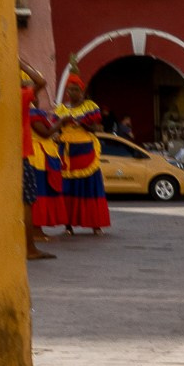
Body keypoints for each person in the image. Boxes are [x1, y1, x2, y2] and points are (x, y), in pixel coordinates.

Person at [48, 62, 110, 235]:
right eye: (70, 90)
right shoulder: (61, 109)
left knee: (89, 186)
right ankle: (68, 225)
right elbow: (55, 130)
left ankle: (95, 225)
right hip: (67, 153)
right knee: (67, 188)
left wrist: (81, 123)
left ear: (82, 91)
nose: (72, 93)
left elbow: (97, 129)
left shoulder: (90, 107)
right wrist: (59, 130)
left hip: (85, 150)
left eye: (75, 90)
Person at [19, 67, 60, 260]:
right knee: (27, 202)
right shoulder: (21, 97)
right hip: (22, 155)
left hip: (8, 154)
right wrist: (20, 62)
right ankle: (30, 248)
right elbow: (41, 81)